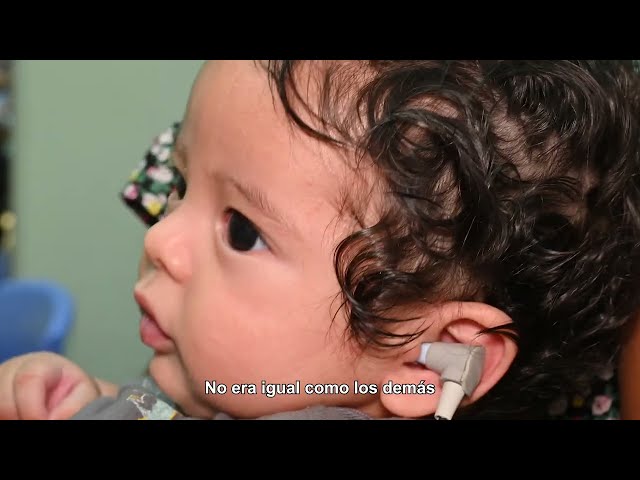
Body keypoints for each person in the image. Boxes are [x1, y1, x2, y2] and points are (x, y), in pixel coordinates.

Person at [1, 60, 640, 420]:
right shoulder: (243, 383)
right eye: (181, 184)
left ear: (431, 364)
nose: (162, 237)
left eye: (243, 231)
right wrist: (93, 397)